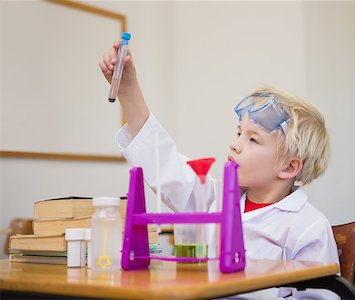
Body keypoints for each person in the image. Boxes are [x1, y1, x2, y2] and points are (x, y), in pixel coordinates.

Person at [99, 41, 339, 299]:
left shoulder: (308, 228)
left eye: (252, 139)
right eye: (238, 133)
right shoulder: (213, 202)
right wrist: (127, 90)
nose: (234, 145)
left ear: (289, 166)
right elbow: (164, 163)